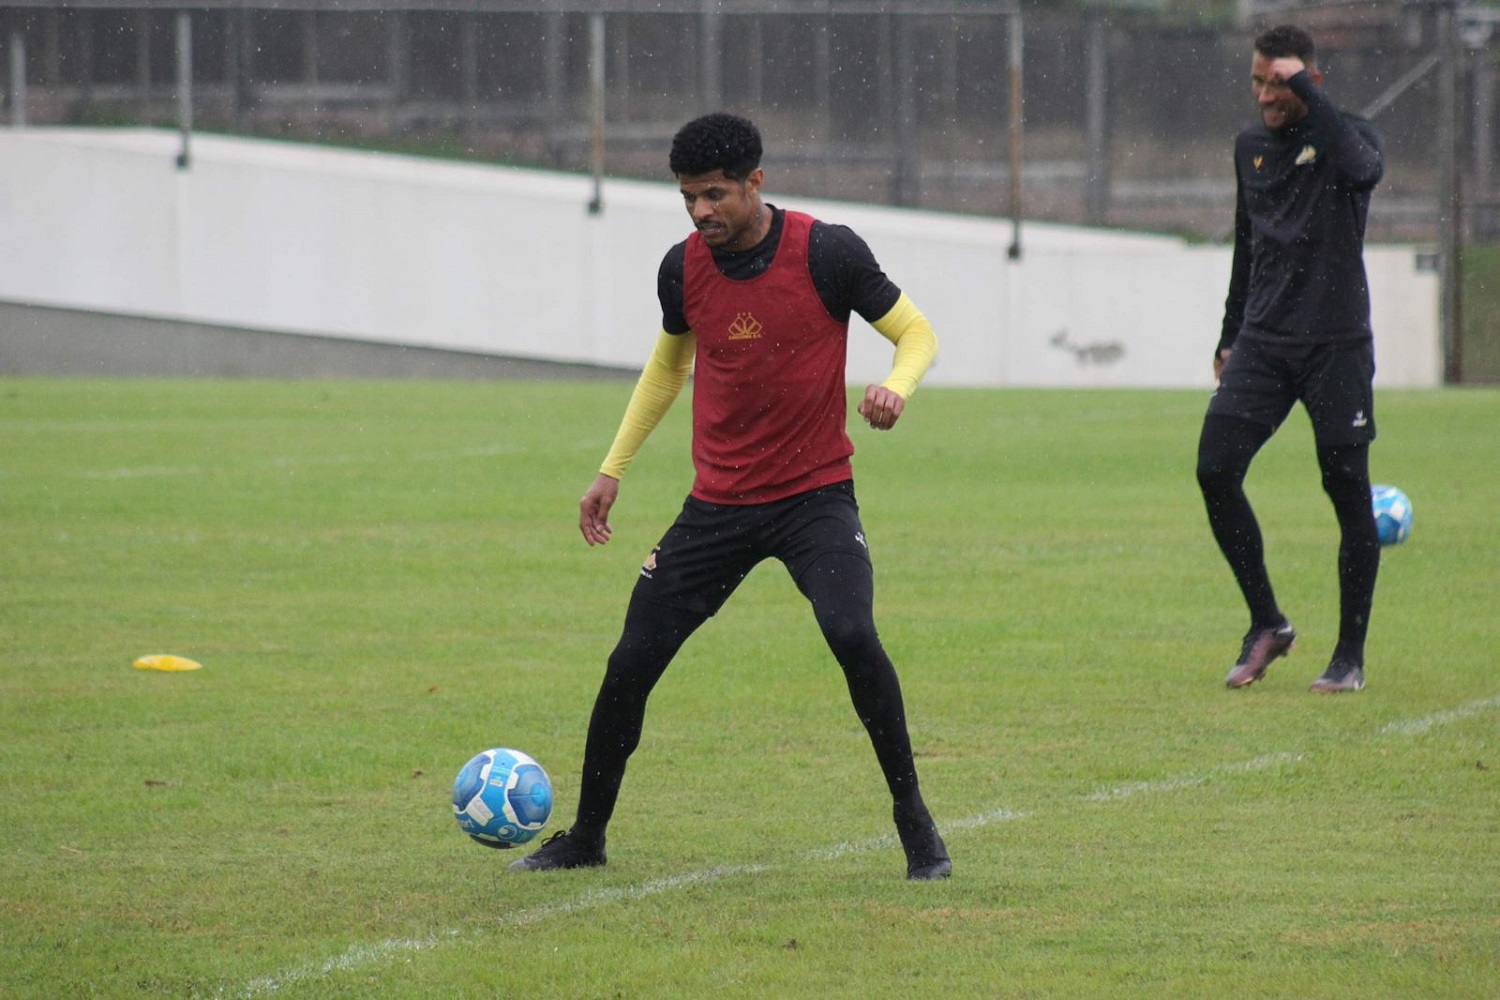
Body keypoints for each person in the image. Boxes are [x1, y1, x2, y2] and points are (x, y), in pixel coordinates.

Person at [509, 112, 950, 879]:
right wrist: (612, 469)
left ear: (755, 182)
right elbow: (668, 367)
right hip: (717, 508)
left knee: (852, 633)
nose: (700, 211)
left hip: (815, 498)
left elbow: (916, 333)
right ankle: (586, 837)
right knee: (630, 662)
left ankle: (914, 822)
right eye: (688, 197)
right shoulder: (681, 269)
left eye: (714, 194)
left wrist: (896, 386)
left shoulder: (827, 251)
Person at [1197, 24, 1384, 694]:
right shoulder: (1249, 147)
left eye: (1279, 82)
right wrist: (1229, 336)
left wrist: (1305, 87)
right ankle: (1267, 623)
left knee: (1345, 486)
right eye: (1258, 81)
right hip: (1265, 342)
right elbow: (1247, 246)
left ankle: (1349, 656)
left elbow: (1364, 172)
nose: (1266, 95)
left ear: (1312, 80)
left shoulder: (1348, 137)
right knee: (1215, 469)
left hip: (1336, 345)